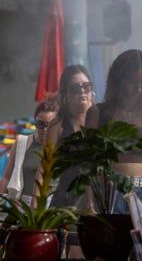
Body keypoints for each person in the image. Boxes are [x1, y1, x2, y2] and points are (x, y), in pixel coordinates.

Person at [85, 49, 142, 236]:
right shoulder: (98, 113)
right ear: (119, 82)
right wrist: (89, 204)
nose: (138, 88)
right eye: (132, 82)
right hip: (108, 194)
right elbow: (89, 165)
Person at [46, 64, 95, 208]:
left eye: (86, 86)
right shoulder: (57, 125)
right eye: (75, 88)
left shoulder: (103, 120)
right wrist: (37, 205)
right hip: (66, 200)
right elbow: (44, 168)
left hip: (99, 199)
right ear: (65, 95)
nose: (82, 91)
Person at [0, 96, 59, 205]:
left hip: (55, 206)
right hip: (25, 205)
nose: (45, 129)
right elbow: (6, 177)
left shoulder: (62, 145)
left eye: (50, 125)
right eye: (41, 124)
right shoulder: (22, 143)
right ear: (35, 122)